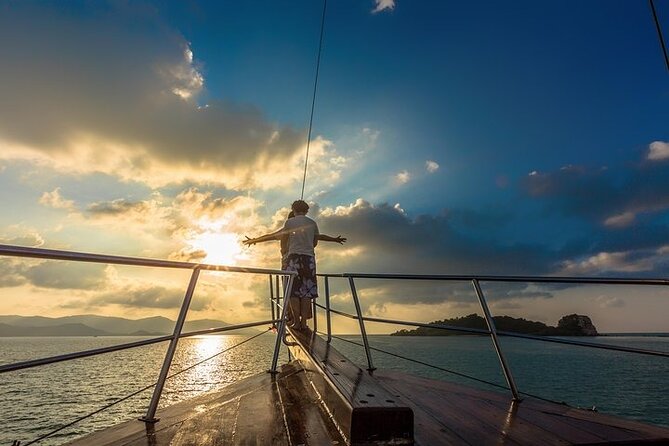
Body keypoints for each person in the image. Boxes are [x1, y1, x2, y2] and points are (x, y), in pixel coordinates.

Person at [243, 200, 346, 330]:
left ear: (293, 209)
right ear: (307, 210)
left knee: (293, 292)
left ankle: (296, 322)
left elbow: (274, 235)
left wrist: (255, 240)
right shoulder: (312, 223)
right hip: (309, 259)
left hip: (293, 259)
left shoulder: (289, 222)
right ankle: (304, 323)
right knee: (307, 292)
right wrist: (335, 240)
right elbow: (317, 240)